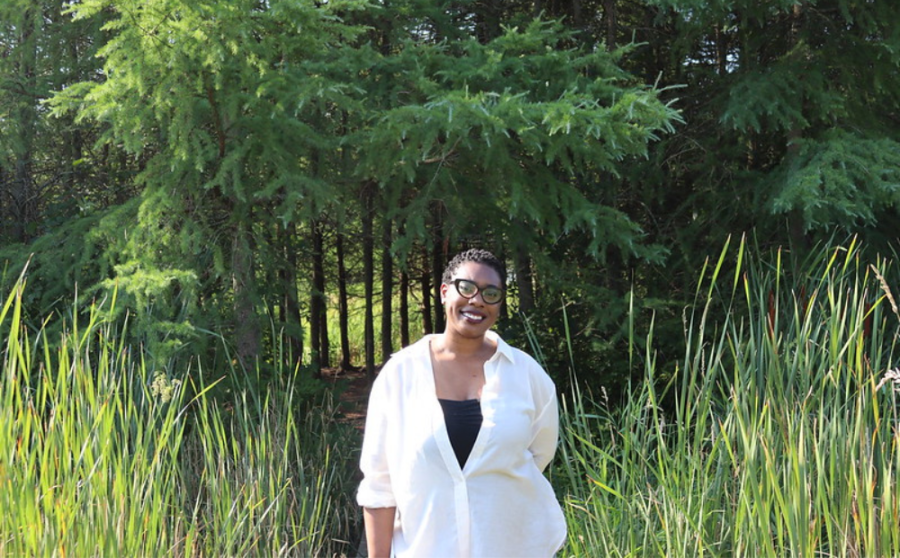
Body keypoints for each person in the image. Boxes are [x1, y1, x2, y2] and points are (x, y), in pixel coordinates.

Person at [357, 248, 567, 558]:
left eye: (490, 293)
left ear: (498, 305)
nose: (477, 300)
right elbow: (379, 485)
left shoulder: (526, 375)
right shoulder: (400, 374)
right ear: (445, 292)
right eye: (466, 287)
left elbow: (538, 456)